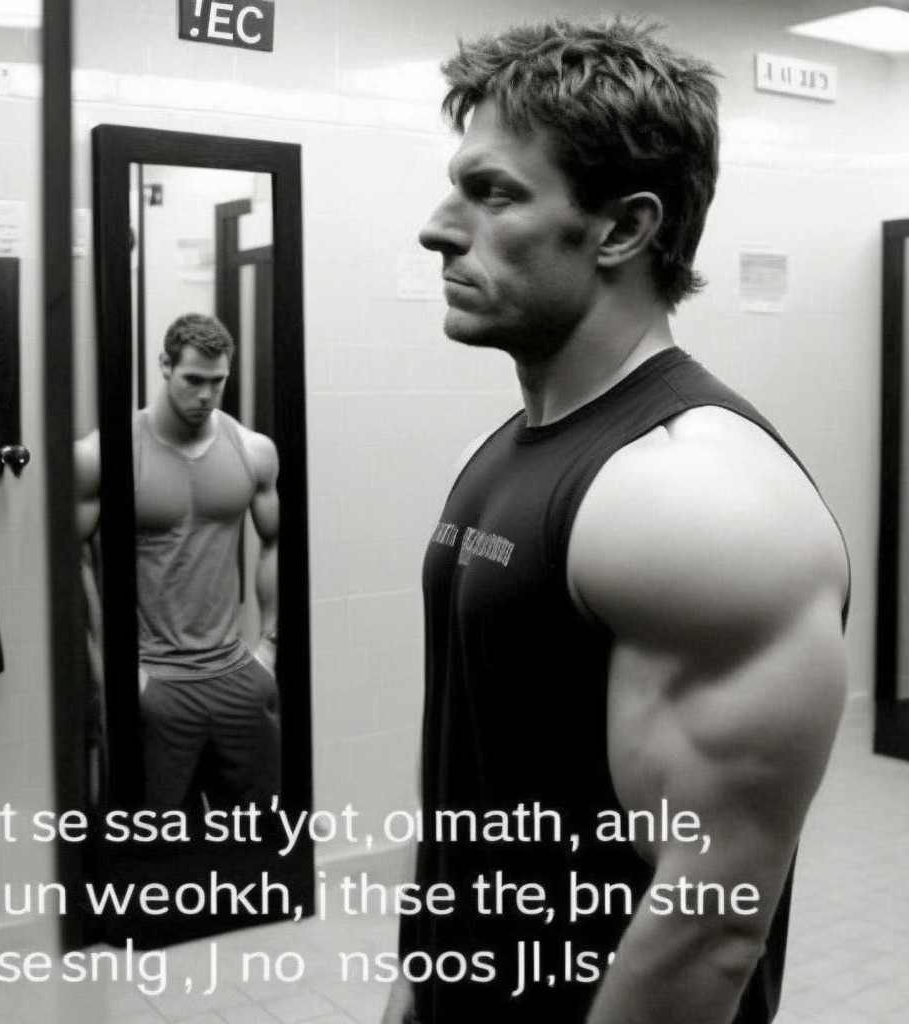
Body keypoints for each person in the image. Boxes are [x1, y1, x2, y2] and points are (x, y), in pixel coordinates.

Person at [382, 17, 849, 1024]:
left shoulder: (696, 497)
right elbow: (476, 790)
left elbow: (707, 922)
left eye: (492, 191)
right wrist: (417, 985)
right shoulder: (516, 446)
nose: (437, 225)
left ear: (623, 229)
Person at [76, 312, 282, 811]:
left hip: (236, 676)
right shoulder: (102, 455)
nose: (207, 396)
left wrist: (269, 649)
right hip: (153, 682)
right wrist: (110, 673)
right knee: (152, 853)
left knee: (262, 844)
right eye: (193, 380)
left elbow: (278, 544)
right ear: (165, 366)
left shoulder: (254, 451)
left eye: (218, 382)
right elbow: (72, 559)